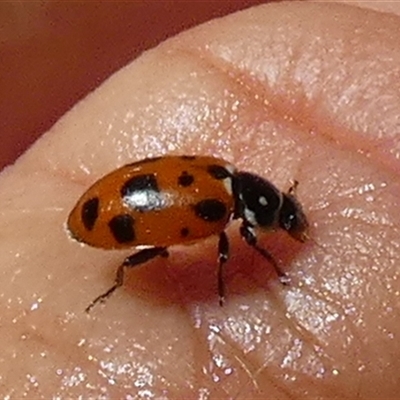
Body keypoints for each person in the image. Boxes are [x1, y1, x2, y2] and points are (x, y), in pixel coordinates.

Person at [0, 1, 399, 398]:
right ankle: (117, 283)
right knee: (192, 252)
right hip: (108, 214)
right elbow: (237, 249)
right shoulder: (223, 209)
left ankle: (119, 281)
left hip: (112, 202)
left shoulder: (222, 179)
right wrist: (258, 270)